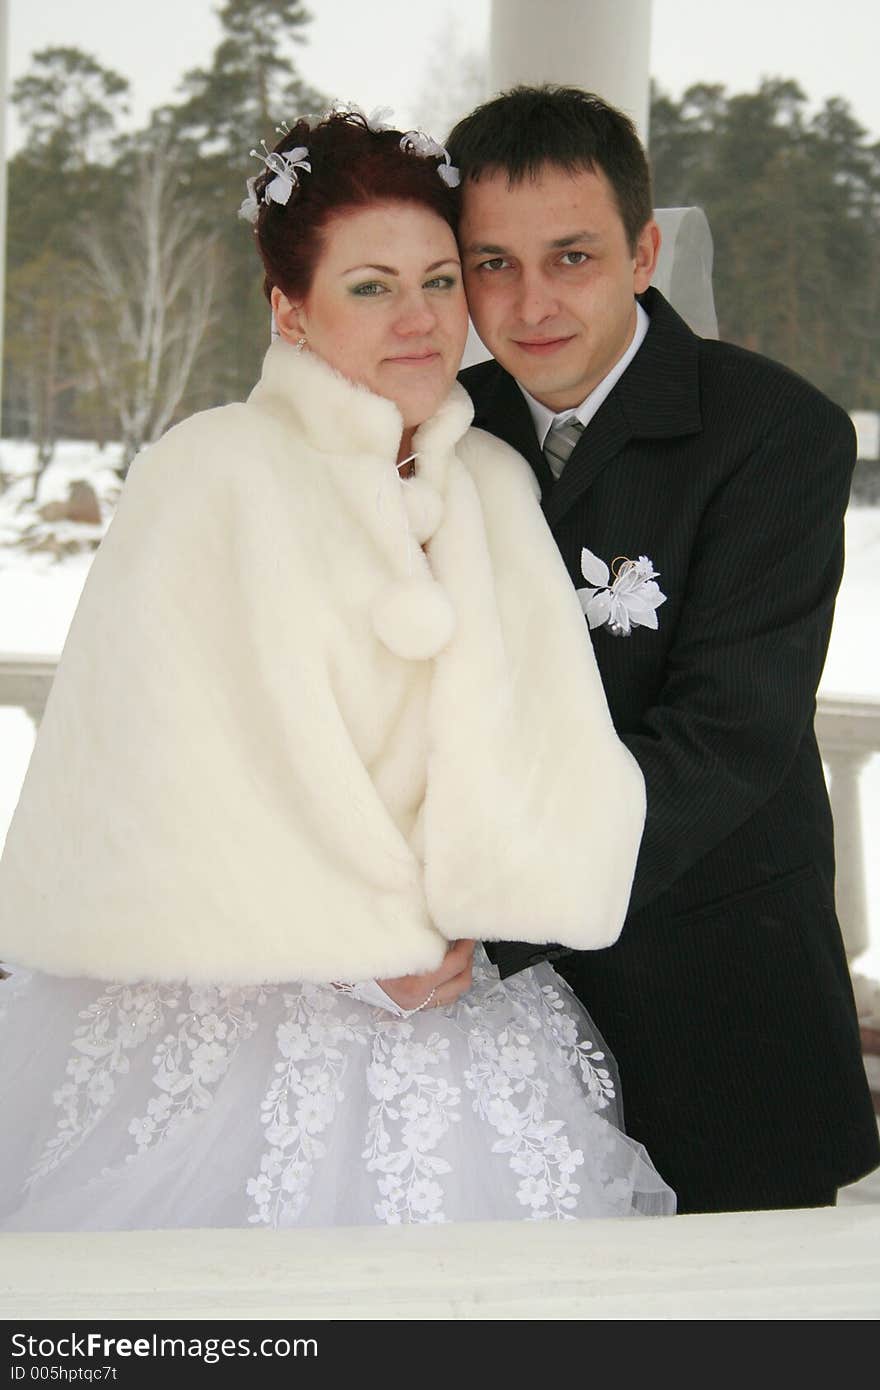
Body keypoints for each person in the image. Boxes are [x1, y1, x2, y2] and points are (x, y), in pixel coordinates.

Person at [0, 109, 674, 1231]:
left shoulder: (494, 484)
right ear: (289, 308)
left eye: (440, 279)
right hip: (237, 1017)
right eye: (369, 287)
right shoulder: (207, 475)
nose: (418, 320)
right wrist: (346, 944)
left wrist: (491, 913)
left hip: (461, 1018)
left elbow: (550, 747)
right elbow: (154, 770)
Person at [449, 84, 880, 1215]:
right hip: (487, 1032)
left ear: (642, 252)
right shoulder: (445, 426)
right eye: (491, 263)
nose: (530, 302)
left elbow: (725, 740)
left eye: (571, 256)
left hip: (718, 1002)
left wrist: (489, 916)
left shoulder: (777, 434)